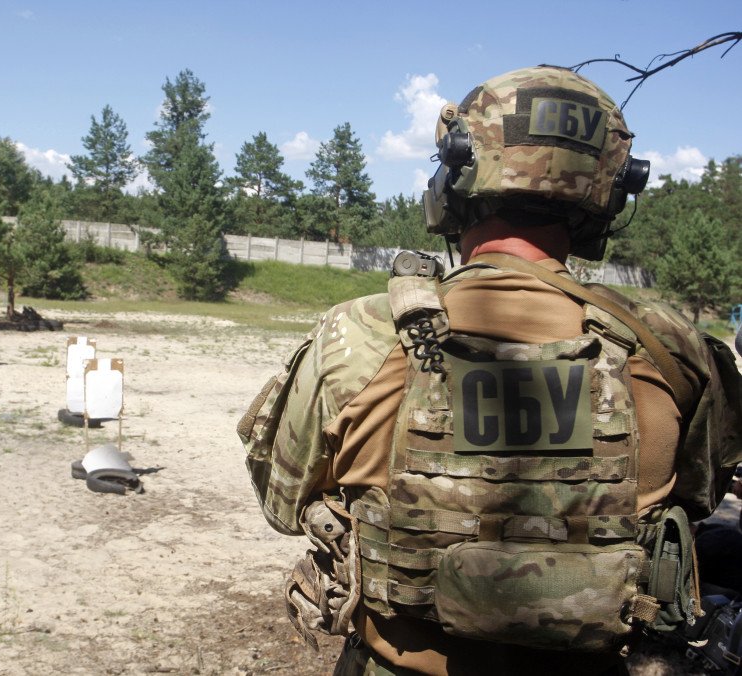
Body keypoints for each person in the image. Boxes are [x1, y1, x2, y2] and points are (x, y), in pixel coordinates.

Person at [237, 65, 742, 675]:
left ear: (456, 177)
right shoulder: (674, 348)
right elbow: (702, 495)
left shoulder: (360, 335)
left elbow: (283, 504)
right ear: (607, 197)